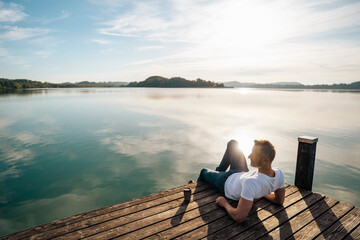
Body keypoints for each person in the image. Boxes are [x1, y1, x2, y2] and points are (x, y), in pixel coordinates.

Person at [197, 139, 285, 223]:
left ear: (266, 160)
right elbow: (279, 200)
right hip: (242, 172)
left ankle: (214, 176)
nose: (249, 156)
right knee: (233, 144)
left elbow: (239, 217)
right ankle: (219, 171)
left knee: (203, 171)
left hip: (225, 181)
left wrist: (225, 204)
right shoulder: (279, 173)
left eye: (254, 154)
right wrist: (260, 192)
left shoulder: (251, 183)